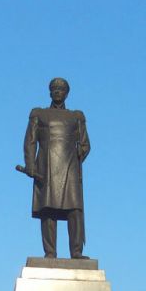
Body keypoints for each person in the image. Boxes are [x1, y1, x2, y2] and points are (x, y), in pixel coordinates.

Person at [23, 77, 91, 259]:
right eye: (54, 89)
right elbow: (30, 141)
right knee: (48, 209)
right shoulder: (39, 114)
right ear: (50, 92)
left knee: (74, 210)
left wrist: (79, 153)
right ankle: (50, 252)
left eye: (61, 90)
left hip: (70, 168)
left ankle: (76, 252)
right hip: (46, 168)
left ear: (67, 93)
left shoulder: (76, 117)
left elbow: (86, 144)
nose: (58, 92)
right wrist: (30, 165)